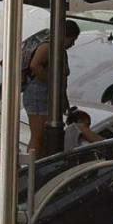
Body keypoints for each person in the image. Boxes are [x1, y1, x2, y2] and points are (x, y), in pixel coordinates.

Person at [24, 19, 80, 158]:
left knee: (46, 136)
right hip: (39, 94)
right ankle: (32, 167)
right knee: (39, 135)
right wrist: (53, 82)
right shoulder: (48, 47)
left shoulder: (60, 51)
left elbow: (63, 79)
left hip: (50, 95)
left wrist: (64, 101)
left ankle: (41, 161)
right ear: (64, 36)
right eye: (72, 40)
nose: (73, 44)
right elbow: (35, 66)